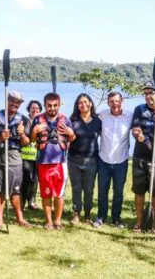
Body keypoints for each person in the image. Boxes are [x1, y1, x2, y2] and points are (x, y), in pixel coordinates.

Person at [0, 90, 31, 230]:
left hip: (14, 157)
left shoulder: (24, 119)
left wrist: (22, 135)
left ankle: (20, 218)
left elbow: (26, 142)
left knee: (15, 190)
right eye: (12, 101)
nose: (14, 105)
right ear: (7, 100)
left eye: (17, 103)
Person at [31, 92, 75, 230]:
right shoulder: (38, 119)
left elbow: (72, 139)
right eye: (49, 106)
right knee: (46, 193)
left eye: (55, 105)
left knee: (59, 194)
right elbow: (32, 140)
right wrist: (35, 130)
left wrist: (70, 133)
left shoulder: (65, 120)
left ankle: (58, 221)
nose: (52, 108)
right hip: (43, 162)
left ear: (59, 104)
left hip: (60, 163)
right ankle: (48, 221)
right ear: (44, 105)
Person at [131, 81, 155, 232]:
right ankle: (139, 222)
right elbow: (135, 128)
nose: (148, 96)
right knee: (139, 192)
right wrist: (138, 135)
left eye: (151, 93)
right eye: (146, 93)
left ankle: (152, 222)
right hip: (140, 156)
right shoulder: (139, 109)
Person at [94, 91, 133, 229]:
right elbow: (89, 121)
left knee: (118, 192)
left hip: (121, 161)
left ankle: (116, 218)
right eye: (111, 101)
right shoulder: (102, 115)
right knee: (102, 191)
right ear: (108, 103)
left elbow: (139, 127)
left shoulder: (130, 116)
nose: (115, 104)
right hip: (104, 160)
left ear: (122, 101)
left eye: (117, 101)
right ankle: (101, 217)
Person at [68, 93, 101, 225]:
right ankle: (76, 214)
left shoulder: (98, 121)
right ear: (77, 105)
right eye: (80, 103)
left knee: (89, 189)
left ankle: (87, 215)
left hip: (92, 160)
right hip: (74, 159)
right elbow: (67, 139)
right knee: (76, 188)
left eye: (86, 102)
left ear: (91, 103)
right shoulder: (73, 120)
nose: (83, 105)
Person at [20, 100, 42, 210]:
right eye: (33, 108)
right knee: (25, 179)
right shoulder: (24, 120)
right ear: (29, 109)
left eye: (37, 108)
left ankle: (32, 201)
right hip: (25, 155)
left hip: (37, 156)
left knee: (35, 179)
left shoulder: (42, 121)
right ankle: (22, 202)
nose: (35, 110)